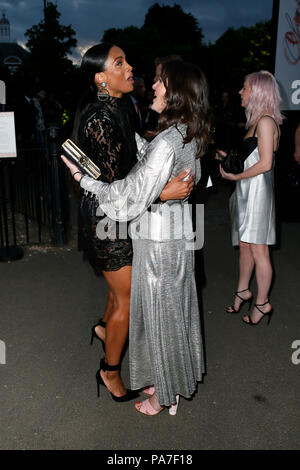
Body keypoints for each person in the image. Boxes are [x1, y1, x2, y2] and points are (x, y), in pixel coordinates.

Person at [62, 60, 210, 415]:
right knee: (174, 313)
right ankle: (169, 380)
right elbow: (154, 169)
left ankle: (164, 395)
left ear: (176, 92)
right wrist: (131, 140)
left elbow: (129, 196)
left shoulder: (167, 142)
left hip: (159, 242)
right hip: (177, 238)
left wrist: (85, 180)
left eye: (160, 82)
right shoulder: (186, 132)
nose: (153, 86)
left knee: (161, 318)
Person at [219, 70, 283, 325]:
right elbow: (253, 157)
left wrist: (236, 177)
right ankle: (243, 291)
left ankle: (262, 303)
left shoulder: (266, 121)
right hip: (247, 190)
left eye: (244, 88)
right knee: (245, 246)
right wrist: (229, 159)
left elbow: (266, 163)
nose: (240, 92)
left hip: (257, 192)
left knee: (259, 250)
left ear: (257, 92)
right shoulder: (256, 121)